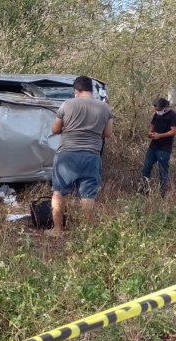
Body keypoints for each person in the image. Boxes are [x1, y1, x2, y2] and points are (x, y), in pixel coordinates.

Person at [49, 76, 114, 233]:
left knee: (58, 193)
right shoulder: (105, 108)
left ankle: (57, 230)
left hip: (67, 154)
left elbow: (55, 130)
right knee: (87, 196)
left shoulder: (67, 104)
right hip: (91, 155)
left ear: (76, 90)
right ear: (91, 90)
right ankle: (87, 233)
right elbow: (107, 133)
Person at [140, 97, 176, 196]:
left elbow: (174, 131)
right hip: (153, 147)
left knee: (163, 172)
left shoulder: (174, 116)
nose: (157, 111)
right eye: (156, 109)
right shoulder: (156, 114)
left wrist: (159, 136)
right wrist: (150, 133)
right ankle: (144, 192)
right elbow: (152, 125)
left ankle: (162, 194)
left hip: (164, 149)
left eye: (159, 110)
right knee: (146, 169)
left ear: (165, 107)